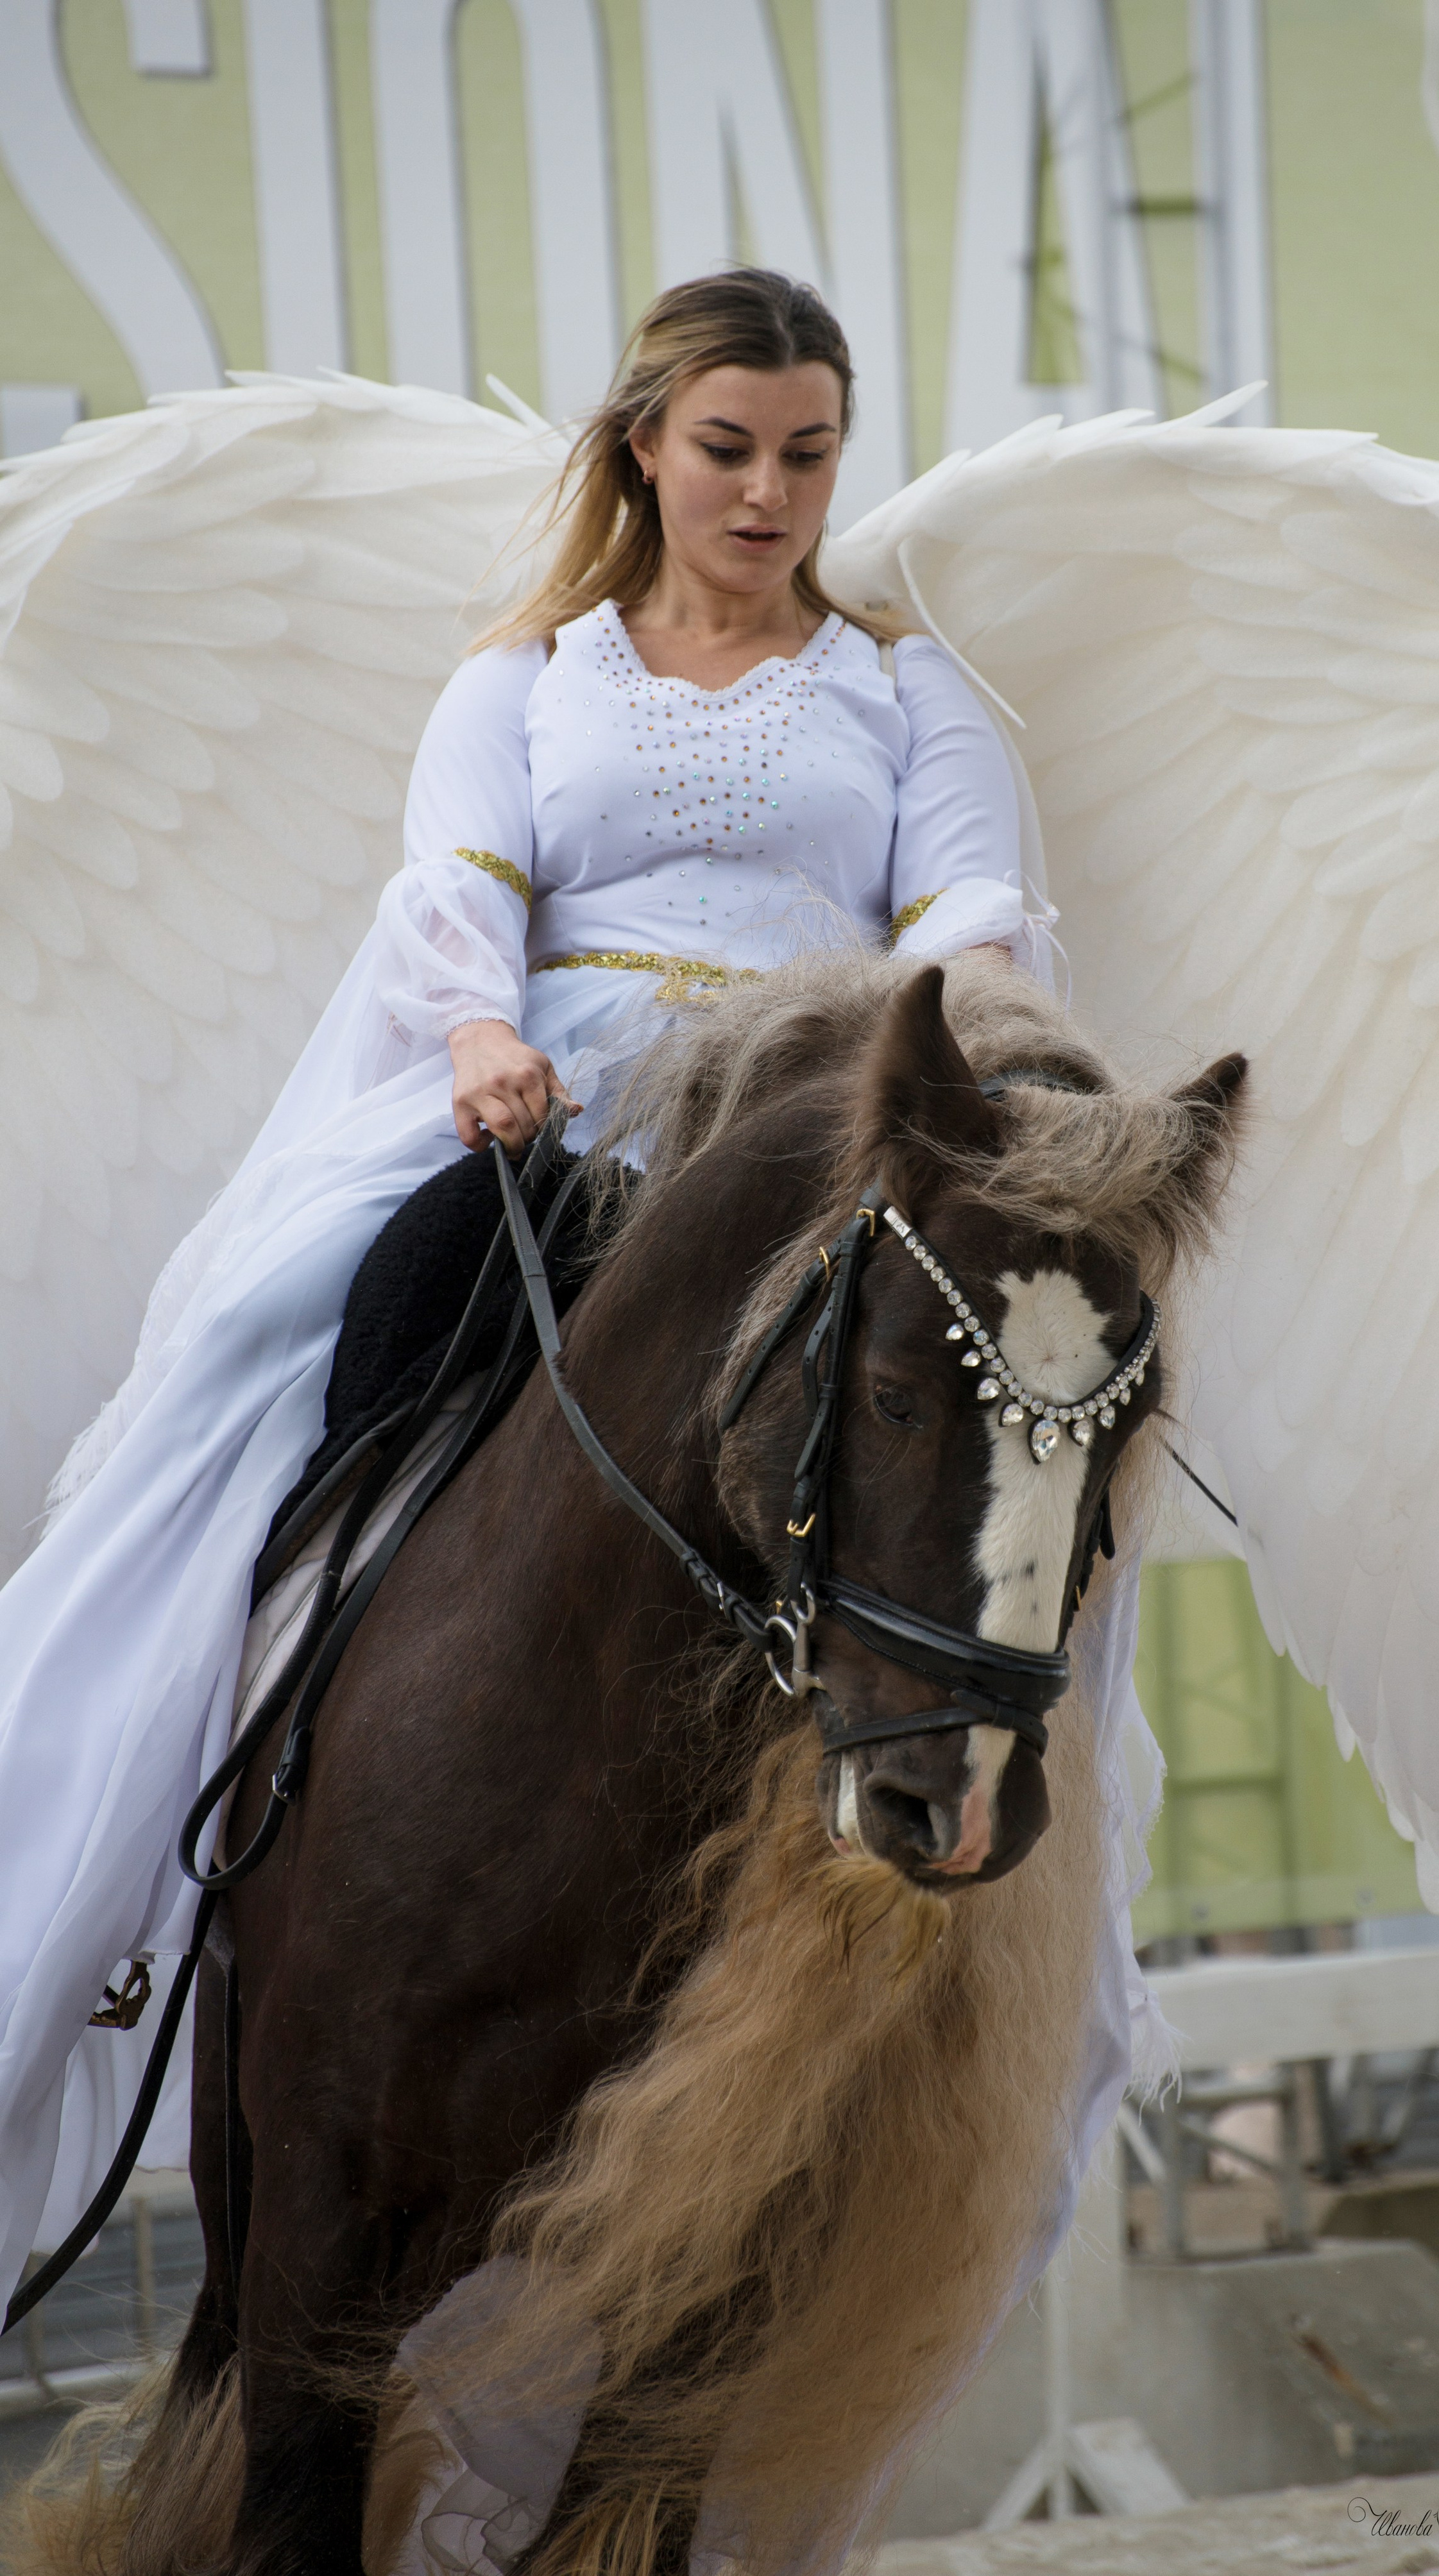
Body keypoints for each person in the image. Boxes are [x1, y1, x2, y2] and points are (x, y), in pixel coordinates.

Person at [0, 267, 1048, 2309]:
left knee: (991, 1453)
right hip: (541, 1105)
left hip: (799, 1136)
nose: (767, 492)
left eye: (808, 454)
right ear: (647, 445)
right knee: (264, 1349)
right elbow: (458, 884)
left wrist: (949, 1037)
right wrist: (476, 1032)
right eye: (728, 448)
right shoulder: (528, 680)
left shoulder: (905, 691)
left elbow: (972, 911)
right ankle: (188, 1791)